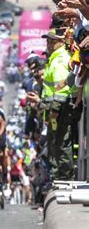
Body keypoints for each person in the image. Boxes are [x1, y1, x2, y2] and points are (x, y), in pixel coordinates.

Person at [26, 28, 80, 180]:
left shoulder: (60, 60)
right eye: (48, 41)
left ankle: (64, 178)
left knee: (61, 143)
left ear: (61, 42)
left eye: (52, 41)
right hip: (54, 109)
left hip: (59, 109)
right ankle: (59, 177)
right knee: (55, 144)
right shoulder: (54, 58)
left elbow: (61, 91)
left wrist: (53, 113)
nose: (49, 44)